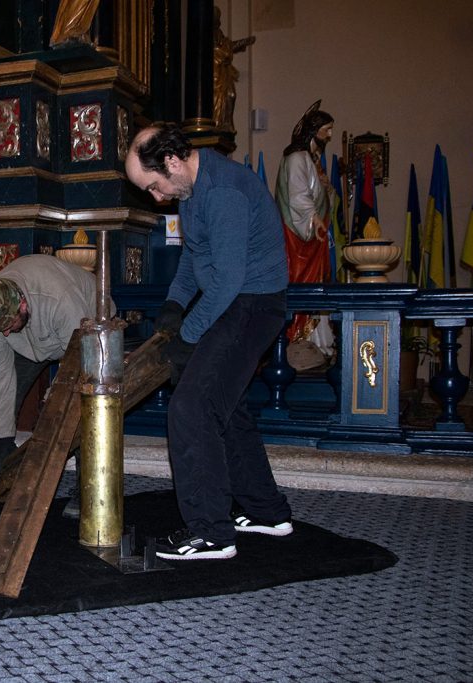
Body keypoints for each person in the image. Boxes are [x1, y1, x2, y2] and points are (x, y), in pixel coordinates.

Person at [125, 123, 293, 560]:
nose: (156, 197)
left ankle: (210, 533)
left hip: (253, 304)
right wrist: (173, 306)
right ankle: (268, 512)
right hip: (237, 300)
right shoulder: (191, 190)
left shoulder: (223, 192)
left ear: (172, 162)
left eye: (155, 186)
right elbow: (194, 257)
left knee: (192, 407)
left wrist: (188, 335)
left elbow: (229, 283)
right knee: (227, 407)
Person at [0, 254, 109, 515]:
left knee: (80, 405)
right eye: (0, 330)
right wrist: (3, 439)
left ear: (22, 304)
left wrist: (53, 396)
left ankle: (88, 487)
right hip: (35, 340)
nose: (6, 333)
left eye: (9, 324)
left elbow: (81, 359)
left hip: (89, 323)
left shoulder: (59, 299)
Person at [275, 100, 336, 359]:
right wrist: (314, 218)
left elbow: (318, 193)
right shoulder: (297, 158)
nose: (330, 135)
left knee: (317, 283)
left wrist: (327, 188)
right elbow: (298, 195)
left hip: (313, 238)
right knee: (302, 281)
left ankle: (318, 341)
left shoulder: (312, 159)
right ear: (314, 130)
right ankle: (298, 338)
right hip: (299, 237)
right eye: (327, 129)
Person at [212, 7, 255, 133]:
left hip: (223, 72)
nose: (217, 21)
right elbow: (222, 50)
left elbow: (229, 46)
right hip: (215, 72)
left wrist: (244, 42)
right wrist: (225, 52)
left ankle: (225, 123)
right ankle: (216, 122)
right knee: (216, 99)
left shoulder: (219, 34)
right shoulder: (206, 34)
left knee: (231, 95)